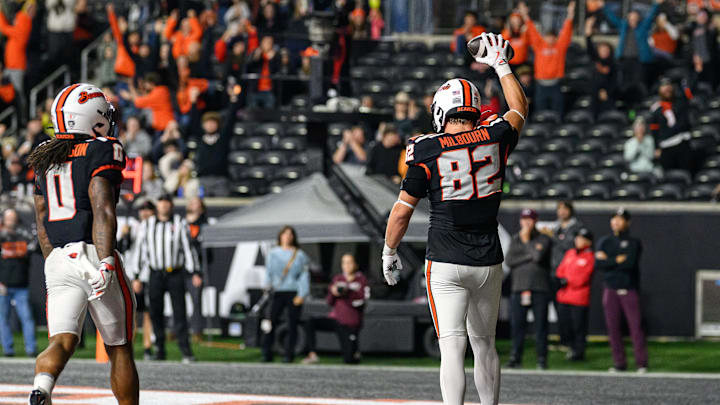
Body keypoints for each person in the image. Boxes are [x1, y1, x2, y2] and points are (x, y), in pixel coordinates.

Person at [382, 32, 528, 405]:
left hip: (445, 259)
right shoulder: (495, 136)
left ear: (439, 112)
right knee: (485, 346)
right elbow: (518, 109)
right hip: (487, 259)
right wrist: (501, 65)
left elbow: (401, 212)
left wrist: (389, 251)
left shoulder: (425, 148)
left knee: (451, 348)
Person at [27, 84, 138, 404]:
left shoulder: (45, 156)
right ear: (92, 116)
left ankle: (41, 388)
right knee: (119, 346)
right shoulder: (102, 147)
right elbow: (102, 205)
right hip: (92, 251)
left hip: (59, 257)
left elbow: (41, 216)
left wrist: (53, 260)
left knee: (61, 341)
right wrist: (106, 260)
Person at [134, 193, 201, 363]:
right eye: (161, 203)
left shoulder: (180, 223)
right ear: (158, 206)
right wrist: (136, 276)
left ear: (171, 205)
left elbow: (188, 249)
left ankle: (185, 351)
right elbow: (140, 250)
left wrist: (195, 272)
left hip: (175, 273)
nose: (164, 206)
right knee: (155, 312)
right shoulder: (147, 225)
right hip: (156, 273)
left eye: (166, 203)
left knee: (180, 312)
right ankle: (160, 349)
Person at [595, 208, 648, 373]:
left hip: (629, 288)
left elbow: (629, 263)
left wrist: (609, 260)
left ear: (627, 222)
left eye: (620, 219)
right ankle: (619, 363)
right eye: (613, 219)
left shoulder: (634, 242)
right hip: (610, 289)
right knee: (613, 328)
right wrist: (616, 259)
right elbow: (598, 264)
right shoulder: (605, 241)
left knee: (635, 327)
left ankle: (641, 363)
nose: (616, 222)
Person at [505, 208, 553, 370]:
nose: (526, 222)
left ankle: (541, 359)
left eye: (530, 219)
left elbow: (538, 257)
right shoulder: (515, 239)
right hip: (519, 288)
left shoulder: (543, 238)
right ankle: (515, 357)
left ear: (535, 221)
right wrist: (528, 255)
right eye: (524, 219)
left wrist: (526, 242)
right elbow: (510, 260)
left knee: (540, 327)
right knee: (518, 326)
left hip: (539, 288)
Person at [302, 253, 370, 364]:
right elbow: (329, 302)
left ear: (355, 264)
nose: (347, 265)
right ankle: (312, 354)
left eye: (349, 262)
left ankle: (354, 352)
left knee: (349, 360)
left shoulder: (361, 280)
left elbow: (362, 301)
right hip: (336, 319)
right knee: (310, 322)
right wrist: (334, 293)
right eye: (344, 262)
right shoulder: (338, 279)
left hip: (350, 323)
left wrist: (348, 292)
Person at [262, 226, 310, 363]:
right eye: (285, 234)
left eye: (290, 234)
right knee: (270, 321)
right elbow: (268, 272)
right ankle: (266, 352)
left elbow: (304, 275)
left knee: (292, 323)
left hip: (293, 292)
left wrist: (302, 294)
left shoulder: (299, 255)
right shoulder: (273, 253)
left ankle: (289, 354)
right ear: (280, 236)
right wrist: (266, 286)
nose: (287, 237)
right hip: (277, 291)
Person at [518, 1, 575, 116]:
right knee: (540, 113)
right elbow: (532, 30)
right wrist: (524, 15)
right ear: (544, 37)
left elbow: (566, 31)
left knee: (558, 113)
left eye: (552, 37)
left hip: (556, 84)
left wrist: (570, 15)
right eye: (547, 37)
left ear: (555, 38)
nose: (549, 40)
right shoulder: (539, 45)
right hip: (541, 85)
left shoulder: (560, 47)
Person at [601, 0, 663, 101]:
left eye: (635, 17)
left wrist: (656, 4)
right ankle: (625, 102)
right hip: (624, 59)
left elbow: (650, 16)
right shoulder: (623, 26)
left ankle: (639, 102)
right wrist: (604, 7)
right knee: (624, 82)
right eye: (631, 17)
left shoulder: (643, 27)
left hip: (638, 60)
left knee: (638, 83)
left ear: (638, 18)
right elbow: (612, 18)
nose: (633, 19)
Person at [119, 200, 156, 360]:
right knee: (131, 313)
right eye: (142, 209)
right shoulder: (133, 226)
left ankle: (148, 347)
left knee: (149, 313)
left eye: (148, 209)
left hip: (150, 274)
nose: (145, 212)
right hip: (132, 273)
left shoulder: (157, 226)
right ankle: (130, 347)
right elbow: (120, 247)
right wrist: (125, 235)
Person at [0, 208, 37, 357]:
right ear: (4, 220)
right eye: (9, 218)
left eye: (13, 218)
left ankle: (31, 349)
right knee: (3, 319)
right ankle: (8, 350)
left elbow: (36, 248)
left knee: (27, 318)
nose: (11, 221)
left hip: (22, 285)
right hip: (3, 285)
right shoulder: (1, 237)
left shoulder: (25, 236)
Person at [555, 227, 595, 361]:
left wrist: (567, 280)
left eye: (582, 238)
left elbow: (583, 278)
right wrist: (562, 278)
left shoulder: (590, 257)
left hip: (579, 298)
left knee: (578, 327)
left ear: (588, 242)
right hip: (564, 296)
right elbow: (560, 270)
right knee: (565, 325)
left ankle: (579, 352)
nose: (578, 240)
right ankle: (571, 348)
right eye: (578, 237)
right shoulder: (570, 253)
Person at [648, 78, 693, 174]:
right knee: (670, 176)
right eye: (664, 87)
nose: (667, 89)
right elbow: (654, 130)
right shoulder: (656, 109)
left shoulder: (680, 102)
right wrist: (656, 147)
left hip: (682, 143)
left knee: (686, 173)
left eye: (669, 86)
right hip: (667, 147)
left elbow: (689, 93)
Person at [185, 196, 208, 341]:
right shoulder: (181, 223)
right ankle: (175, 329)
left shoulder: (204, 225)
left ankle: (197, 331)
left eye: (197, 203)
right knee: (177, 301)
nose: (194, 205)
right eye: (192, 202)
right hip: (180, 268)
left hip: (196, 269)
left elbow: (205, 252)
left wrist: (198, 272)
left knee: (196, 300)